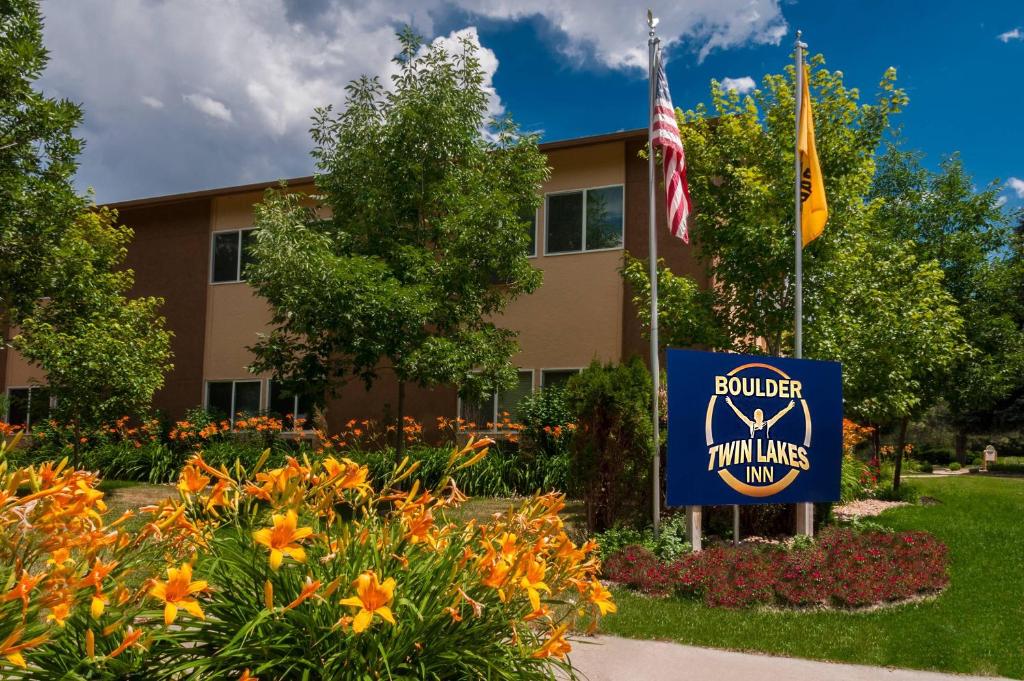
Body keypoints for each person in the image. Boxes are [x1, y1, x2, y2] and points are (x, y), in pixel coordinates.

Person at [724, 397, 796, 439]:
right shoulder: (751, 425)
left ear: (763, 416)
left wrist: (788, 408)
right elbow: (740, 415)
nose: (759, 416)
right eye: (757, 414)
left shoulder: (767, 424)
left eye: (760, 414)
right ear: (754, 417)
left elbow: (778, 415)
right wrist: (731, 404)